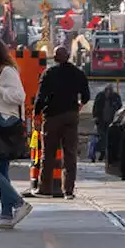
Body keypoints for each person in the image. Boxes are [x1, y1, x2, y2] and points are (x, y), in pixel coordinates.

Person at [0, 40, 32, 229]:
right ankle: (5, 215)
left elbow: (20, 97)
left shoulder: (8, 73)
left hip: (7, 124)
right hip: (0, 123)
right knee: (2, 171)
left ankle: (19, 203)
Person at [31, 46, 90, 199]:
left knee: (48, 154)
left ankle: (45, 189)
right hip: (71, 116)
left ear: (55, 58)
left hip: (52, 117)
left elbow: (40, 97)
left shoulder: (49, 73)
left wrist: (36, 115)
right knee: (70, 154)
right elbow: (86, 95)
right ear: (69, 56)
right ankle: (68, 191)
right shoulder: (78, 73)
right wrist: (78, 105)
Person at [90, 85, 123, 162]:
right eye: (107, 92)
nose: (108, 94)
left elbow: (119, 107)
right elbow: (95, 107)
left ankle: (106, 154)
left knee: (109, 138)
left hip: (111, 121)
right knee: (102, 137)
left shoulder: (115, 97)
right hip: (101, 120)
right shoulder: (100, 96)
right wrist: (95, 116)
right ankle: (102, 153)